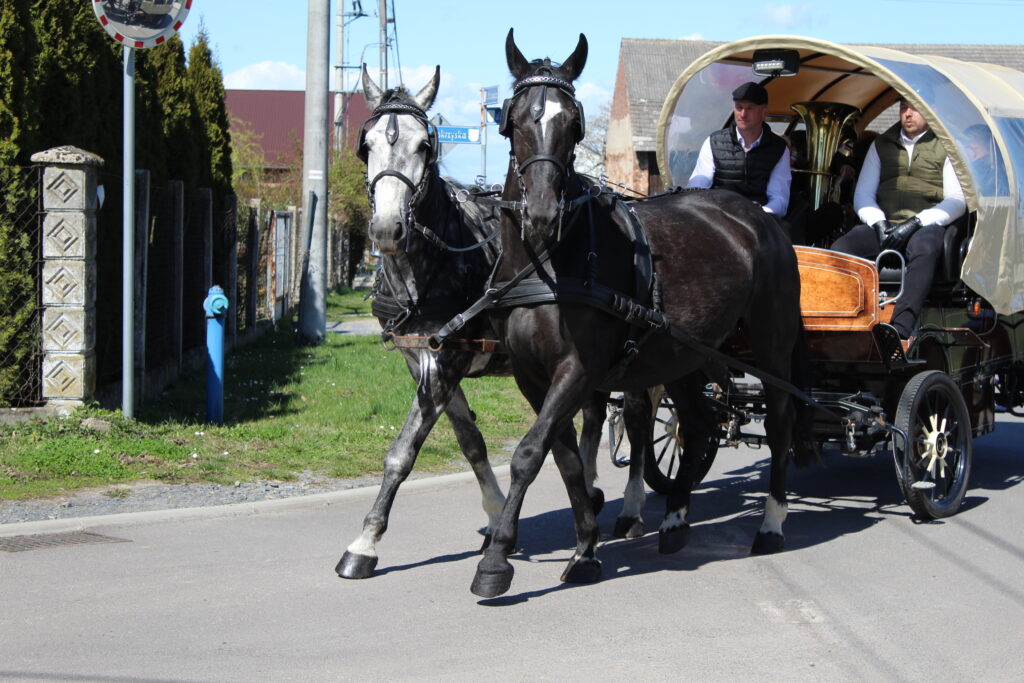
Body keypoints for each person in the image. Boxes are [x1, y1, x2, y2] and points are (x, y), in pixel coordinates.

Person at [831, 98, 966, 340]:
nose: (908, 114)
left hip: (927, 224)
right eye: (904, 108)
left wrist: (915, 223)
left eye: (915, 108)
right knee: (842, 247)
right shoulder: (881, 144)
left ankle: (900, 330)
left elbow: (957, 200)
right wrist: (879, 224)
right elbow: (863, 194)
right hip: (886, 223)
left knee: (924, 249)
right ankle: (844, 318)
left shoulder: (947, 146)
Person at [688, 81, 791, 222]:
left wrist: (756, 214)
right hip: (718, 217)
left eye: (750, 108)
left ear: (764, 112)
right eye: (739, 107)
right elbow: (697, 188)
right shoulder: (713, 142)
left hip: (758, 221)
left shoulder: (779, 148)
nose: (743, 114)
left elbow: (779, 200)